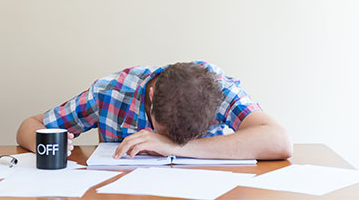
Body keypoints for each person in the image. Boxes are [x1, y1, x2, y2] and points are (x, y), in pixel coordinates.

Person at [17, 61, 292, 160]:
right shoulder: (112, 91)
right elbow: (29, 126)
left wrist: (176, 148)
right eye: (166, 132)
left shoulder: (217, 88)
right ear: (151, 95)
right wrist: (51, 143)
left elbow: (279, 141)